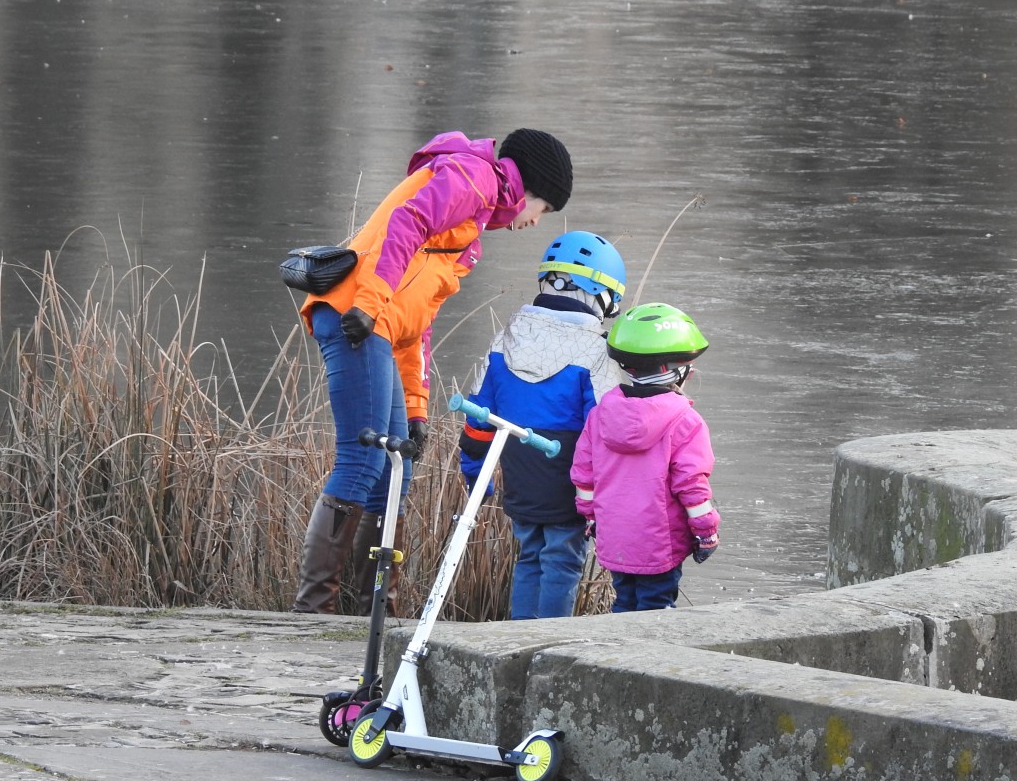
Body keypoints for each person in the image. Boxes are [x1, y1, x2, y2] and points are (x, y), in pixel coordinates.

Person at [292, 128, 573, 615]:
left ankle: (374, 612)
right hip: (355, 316)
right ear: (527, 187)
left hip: (376, 322)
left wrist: (416, 407)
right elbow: (408, 220)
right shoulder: (475, 178)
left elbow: (416, 322)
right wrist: (368, 303)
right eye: (543, 209)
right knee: (361, 462)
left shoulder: (473, 221)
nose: (535, 222)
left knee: (395, 469)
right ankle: (313, 611)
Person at [459, 231, 627, 620]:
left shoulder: (505, 339)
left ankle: (519, 638)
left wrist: (476, 478)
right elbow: (605, 429)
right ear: (598, 294)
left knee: (530, 556)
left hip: (519, 474)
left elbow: (478, 418)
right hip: (566, 477)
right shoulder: (595, 351)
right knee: (562, 563)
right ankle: (548, 644)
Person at [570, 303, 720, 613]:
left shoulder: (600, 415)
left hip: (615, 540)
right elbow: (692, 487)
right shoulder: (685, 421)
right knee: (657, 609)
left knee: (624, 603)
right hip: (659, 545)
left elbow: (584, 475)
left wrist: (590, 516)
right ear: (673, 369)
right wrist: (706, 532)